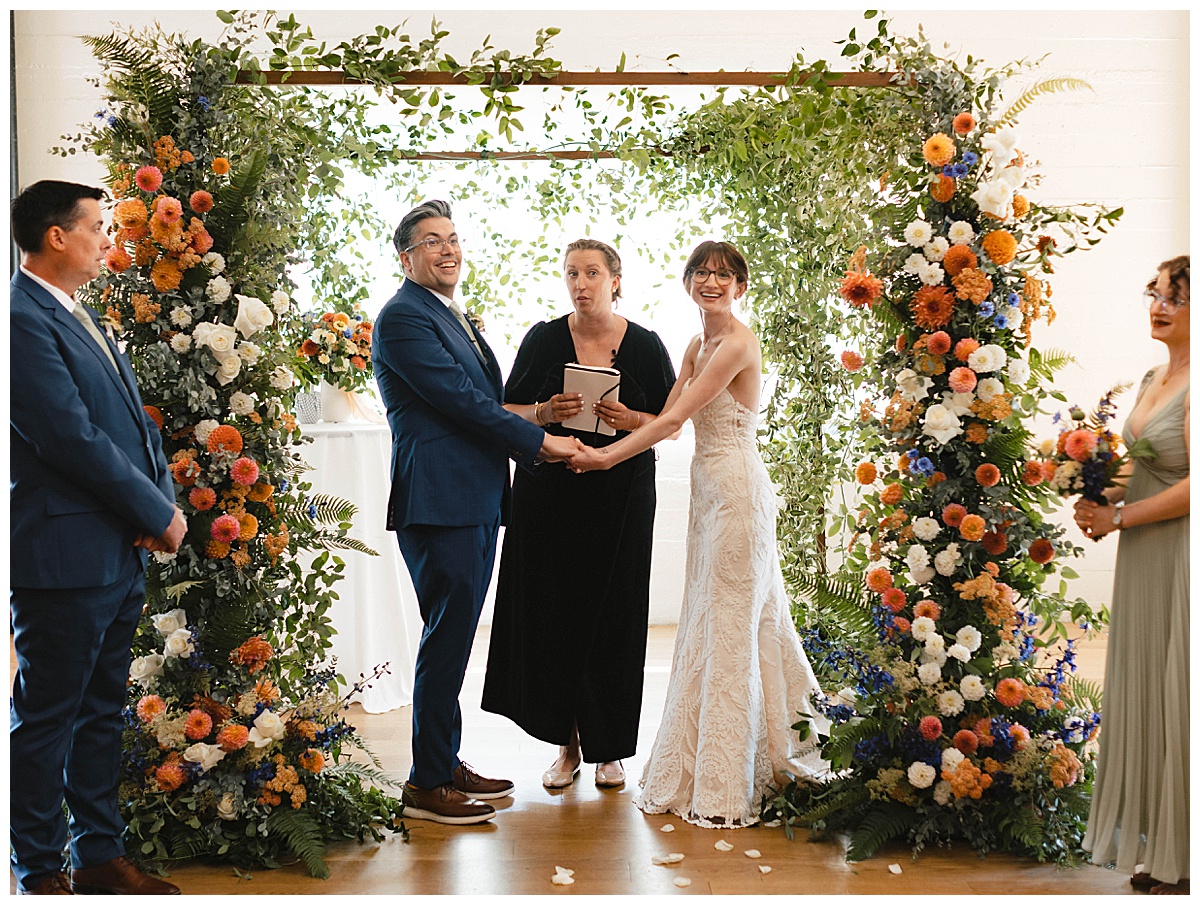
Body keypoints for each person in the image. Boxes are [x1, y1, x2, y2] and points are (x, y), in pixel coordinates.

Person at [569, 240, 826, 827]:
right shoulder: (695, 343)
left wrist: (607, 459)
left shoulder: (737, 342)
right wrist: (612, 414)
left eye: (724, 274)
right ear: (688, 282)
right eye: (702, 273)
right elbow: (663, 419)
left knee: (735, 620)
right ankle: (718, 756)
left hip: (736, 487)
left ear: (740, 285)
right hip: (708, 490)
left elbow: (673, 421)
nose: (711, 282)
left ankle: (732, 773)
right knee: (710, 616)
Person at [373, 200, 581, 825]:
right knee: (446, 638)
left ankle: (442, 758)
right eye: (432, 240)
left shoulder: (445, 313)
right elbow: (463, 404)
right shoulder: (403, 318)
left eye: (454, 239)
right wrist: (541, 442)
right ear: (405, 257)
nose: (448, 249)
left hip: (472, 496)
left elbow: (484, 399)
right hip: (440, 500)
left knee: (455, 635)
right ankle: (427, 784)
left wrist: (540, 414)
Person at [10, 181, 187, 894]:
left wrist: (158, 506)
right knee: (48, 717)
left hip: (117, 548)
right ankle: (39, 868)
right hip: (63, 553)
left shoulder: (84, 315)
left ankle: (99, 855)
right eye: (97, 228)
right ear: (57, 236)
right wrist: (156, 512)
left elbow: (138, 428)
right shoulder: (20, 318)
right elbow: (70, 438)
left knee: (100, 713)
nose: (108, 240)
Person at [481, 239, 676, 790]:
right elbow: (504, 410)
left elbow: (670, 421)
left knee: (615, 618)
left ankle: (610, 752)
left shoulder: (645, 345)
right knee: (555, 618)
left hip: (622, 496)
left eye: (592, 273)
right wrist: (545, 412)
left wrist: (629, 418)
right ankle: (566, 749)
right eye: (572, 273)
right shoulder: (543, 339)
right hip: (549, 496)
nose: (580, 283)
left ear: (616, 280)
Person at [1076, 255, 1189, 894]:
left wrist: (1122, 517)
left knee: (1180, 698)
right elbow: (1137, 463)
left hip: (1179, 556)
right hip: (1142, 556)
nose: (1160, 305)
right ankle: (1162, 848)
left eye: (1175, 296)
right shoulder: (1153, 375)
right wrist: (1090, 491)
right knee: (1148, 689)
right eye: (1155, 293)